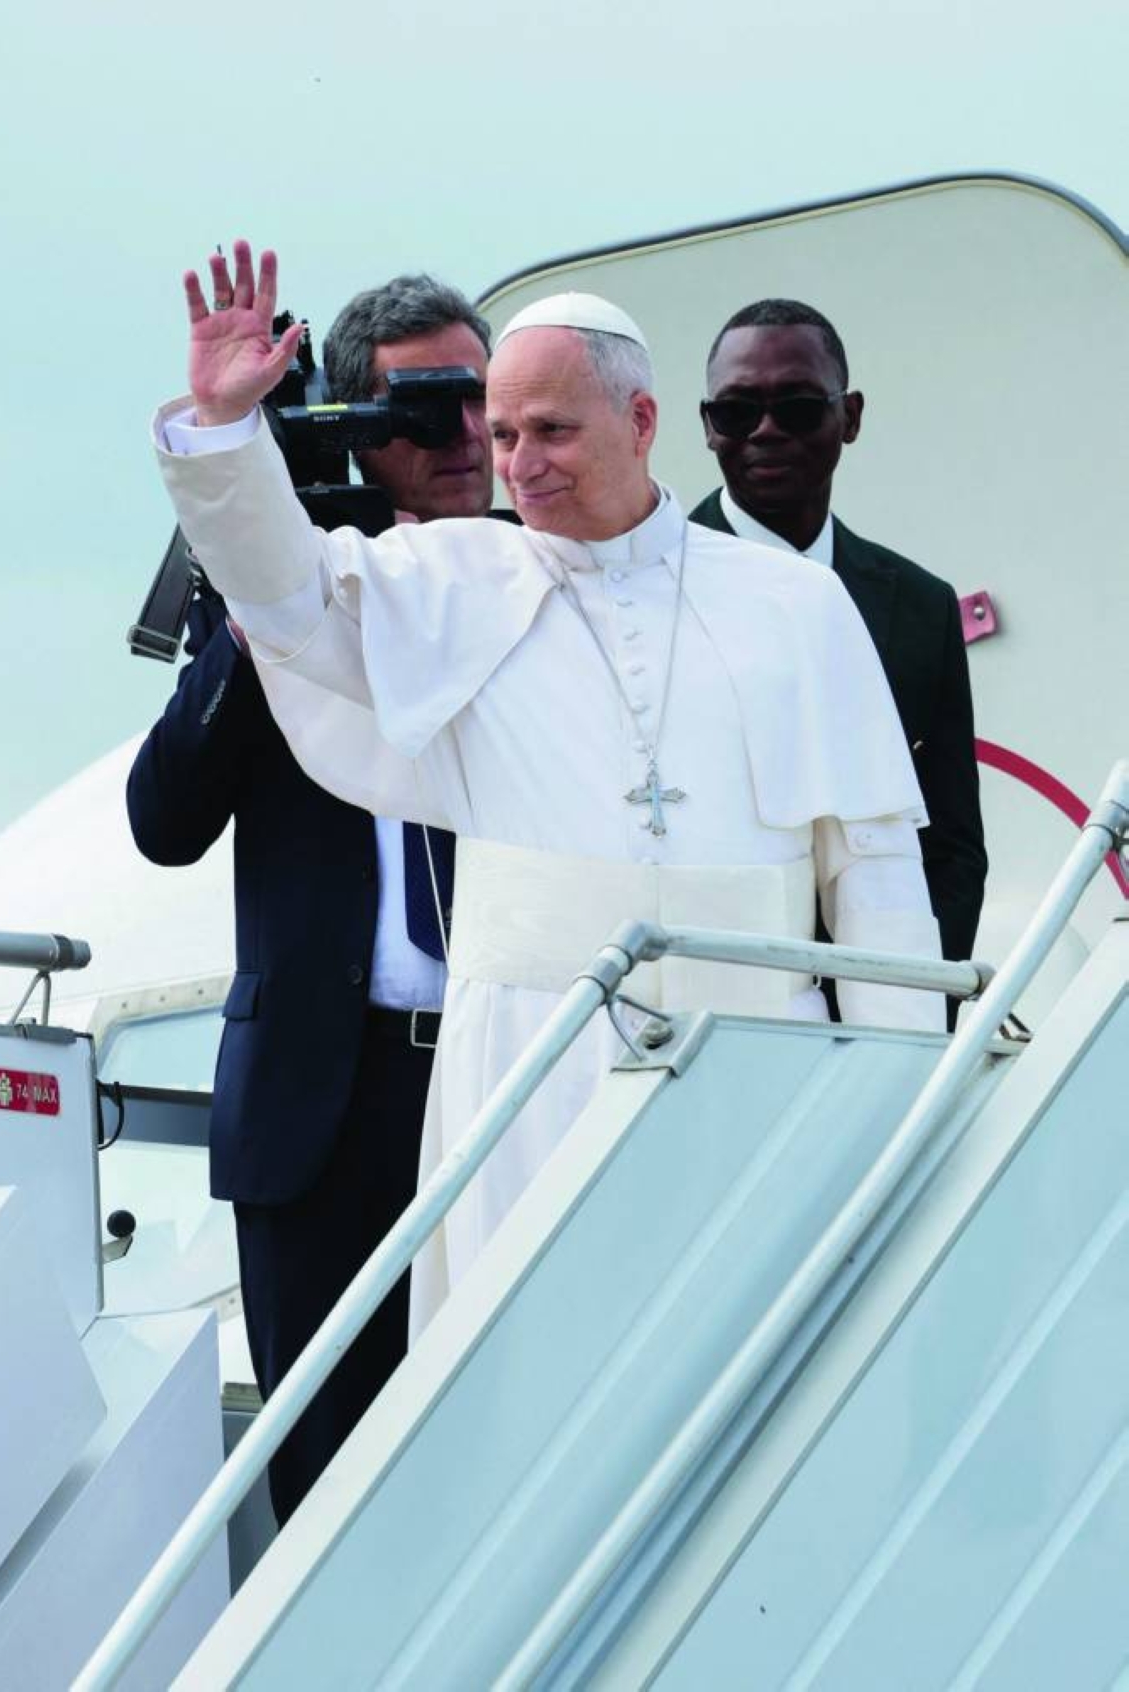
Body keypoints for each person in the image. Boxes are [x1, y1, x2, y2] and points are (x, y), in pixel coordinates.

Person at [154, 240, 946, 1341]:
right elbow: (285, 601)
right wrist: (229, 439)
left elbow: (874, 878)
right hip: (526, 1072)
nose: (519, 464)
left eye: (553, 432)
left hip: (759, 1058)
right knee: (526, 1365)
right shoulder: (451, 580)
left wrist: (905, 1101)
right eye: (507, 432)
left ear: (643, 423)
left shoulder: (796, 607)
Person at [127, 271, 493, 1525]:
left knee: (507, 1448)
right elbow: (164, 822)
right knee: (333, 1494)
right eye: (424, 407)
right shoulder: (290, 585)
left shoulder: (539, 582)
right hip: (323, 1107)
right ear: (351, 422)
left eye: (481, 401)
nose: (464, 438)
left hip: (501, 1069)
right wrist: (247, 597)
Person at [689, 299, 986, 1018]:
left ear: (849, 416)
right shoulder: (647, 589)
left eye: (795, 407)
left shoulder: (919, 605)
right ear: (706, 427)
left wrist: (914, 1006)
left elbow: (949, 844)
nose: (764, 431)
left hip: (882, 1016)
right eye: (736, 412)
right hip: (710, 1010)